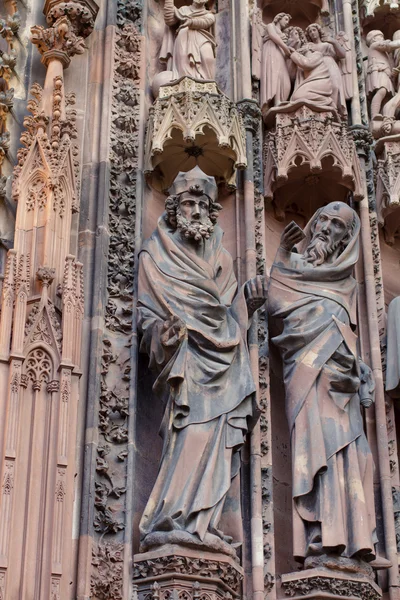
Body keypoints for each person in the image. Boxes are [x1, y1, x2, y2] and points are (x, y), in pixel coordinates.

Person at [137, 167, 267, 556]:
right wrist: (162, 333)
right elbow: (144, 319)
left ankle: (203, 523)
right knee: (191, 436)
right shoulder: (155, 256)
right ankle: (174, 519)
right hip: (188, 366)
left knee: (218, 445)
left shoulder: (223, 260)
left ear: (212, 214)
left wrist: (249, 302)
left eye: (203, 205)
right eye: (188, 203)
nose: (195, 211)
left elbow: (230, 320)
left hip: (225, 370)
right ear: (174, 209)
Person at [268, 202, 377, 565]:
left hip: (342, 387)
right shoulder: (290, 268)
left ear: (345, 237)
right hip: (308, 380)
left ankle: (353, 537)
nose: (326, 228)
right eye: (324, 220)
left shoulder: (346, 284)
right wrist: (282, 251)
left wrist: (360, 369)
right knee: (318, 456)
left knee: (357, 457)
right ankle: (320, 537)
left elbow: (343, 332)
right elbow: (272, 304)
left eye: (337, 225)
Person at [160, 0, 216, 81]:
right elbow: (170, 21)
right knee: (183, 59)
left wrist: (191, 22)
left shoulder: (209, 15)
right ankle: (185, 83)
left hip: (202, 38)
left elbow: (205, 22)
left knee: (208, 58)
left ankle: (207, 83)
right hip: (184, 37)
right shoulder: (183, 10)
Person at [305, 23, 347, 115]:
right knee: (321, 88)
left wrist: (334, 42)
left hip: (329, 64)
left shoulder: (327, 44)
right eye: (310, 32)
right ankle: (322, 110)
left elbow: (342, 55)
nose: (312, 33)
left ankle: (333, 110)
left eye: (314, 30)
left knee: (335, 86)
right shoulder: (309, 46)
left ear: (319, 31)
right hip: (316, 67)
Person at [260, 13, 292, 109]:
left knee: (285, 79)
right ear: (278, 18)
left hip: (280, 53)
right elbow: (273, 36)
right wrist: (286, 48)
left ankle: (281, 100)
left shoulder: (283, 34)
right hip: (271, 49)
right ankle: (276, 101)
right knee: (275, 74)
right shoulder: (270, 26)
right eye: (286, 19)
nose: (287, 23)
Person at [366, 30, 400, 119]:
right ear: (373, 39)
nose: (383, 38)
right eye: (380, 36)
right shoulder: (374, 46)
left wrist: (394, 73)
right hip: (379, 72)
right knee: (382, 91)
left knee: (386, 98)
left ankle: (384, 117)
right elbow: (390, 45)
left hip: (385, 74)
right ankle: (374, 114)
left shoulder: (385, 54)